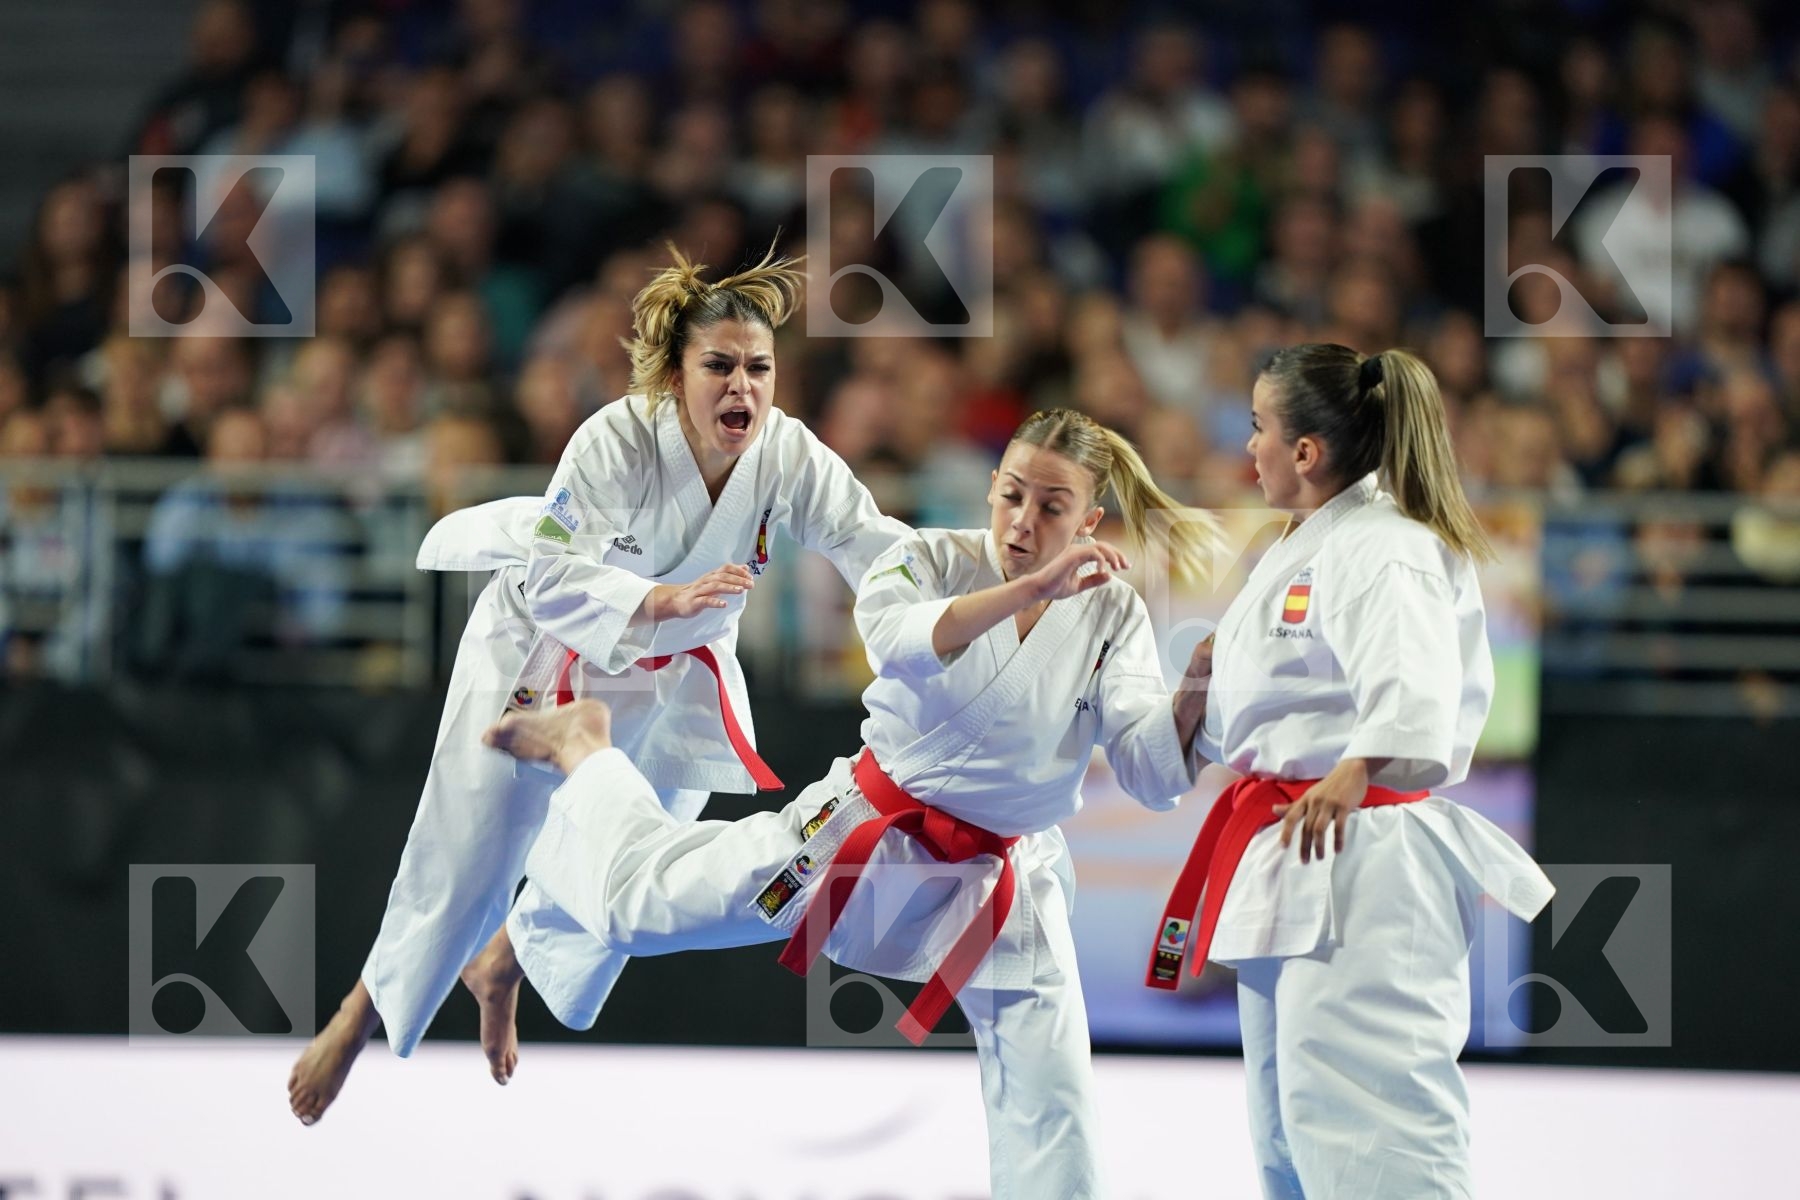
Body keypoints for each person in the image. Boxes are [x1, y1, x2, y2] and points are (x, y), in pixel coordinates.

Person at [481, 408, 1217, 1199]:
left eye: (1051, 507)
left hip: (1004, 875)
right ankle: (585, 751)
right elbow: (902, 641)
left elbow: (1149, 772)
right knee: (641, 910)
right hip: (860, 836)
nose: (1022, 523)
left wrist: (1196, 692)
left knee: (1054, 1094)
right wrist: (1031, 590)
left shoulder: (1112, 614)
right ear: (991, 486)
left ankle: (515, 945)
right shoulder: (923, 558)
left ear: (1089, 520)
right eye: (1012, 495)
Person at [288, 246, 909, 1124]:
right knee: (475, 845)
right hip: (543, 649)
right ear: (673, 373)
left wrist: (967, 615)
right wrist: (662, 596)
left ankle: (508, 958)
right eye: (720, 366)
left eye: (759, 369)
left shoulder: (789, 457)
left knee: (641, 857)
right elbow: (548, 575)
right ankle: (360, 1013)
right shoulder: (615, 438)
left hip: (668, 677)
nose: (744, 388)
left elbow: (875, 549)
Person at [1144, 345, 1554, 1198]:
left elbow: (1414, 682)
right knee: (1290, 1126)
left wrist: (1357, 766)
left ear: (1306, 451)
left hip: (1364, 853)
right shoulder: (1297, 549)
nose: (1246, 447)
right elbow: (1266, 720)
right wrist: (1200, 690)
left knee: (1374, 1124)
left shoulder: (1386, 546)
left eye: (1259, 428)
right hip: (1291, 845)